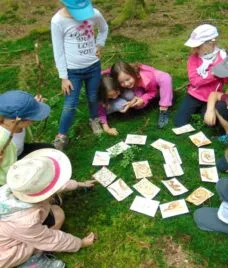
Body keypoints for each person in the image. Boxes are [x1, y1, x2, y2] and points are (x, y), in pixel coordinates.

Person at [0, 148, 96, 268]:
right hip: (7, 252)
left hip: (13, 233)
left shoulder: (17, 187)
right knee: (56, 217)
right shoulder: (24, 222)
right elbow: (50, 239)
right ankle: (33, 261)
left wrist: (80, 184)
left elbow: (53, 184)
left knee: (56, 211)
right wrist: (80, 243)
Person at [51, 0, 109, 150]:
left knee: (93, 96)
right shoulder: (58, 21)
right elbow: (58, 51)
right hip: (72, 72)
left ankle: (94, 119)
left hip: (93, 67)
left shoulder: (93, 13)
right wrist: (64, 77)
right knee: (70, 104)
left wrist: (99, 44)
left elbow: (104, 28)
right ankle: (61, 136)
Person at [174, 24, 226, 127]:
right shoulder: (193, 59)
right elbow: (195, 81)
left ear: (211, 42)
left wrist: (219, 73)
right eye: (194, 47)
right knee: (179, 123)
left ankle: (202, 110)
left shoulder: (223, 58)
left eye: (198, 47)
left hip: (212, 97)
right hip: (195, 94)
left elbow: (226, 76)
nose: (194, 50)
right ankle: (196, 108)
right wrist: (214, 74)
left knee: (210, 124)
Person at [0, 90, 52, 185]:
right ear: (15, 122)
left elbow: (19, 105)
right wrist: (9, 182)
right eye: (32, 120)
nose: (33, 121)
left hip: (20, 151)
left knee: (49, 149)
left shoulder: (15, 122)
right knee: (33, 180)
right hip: (9, 170)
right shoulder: (2, 139)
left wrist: (34, 106)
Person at [108, 61, 173, 128]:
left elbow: (152, 91)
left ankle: (164, 109)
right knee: (138, 104)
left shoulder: (147, 79)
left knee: (165, 79)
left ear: (133, 74)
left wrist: (143, 99)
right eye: (121, 82)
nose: (126, 84)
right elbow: (108, 71)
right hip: (140, 87)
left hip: (155, 85)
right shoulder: (125, 75)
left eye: (127, 79)